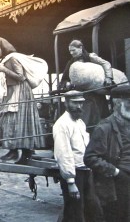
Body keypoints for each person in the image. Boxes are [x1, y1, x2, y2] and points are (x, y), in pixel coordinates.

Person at [0, 37, 45, 164]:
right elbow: (5, 78)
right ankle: (13, 149)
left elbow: (21, 77)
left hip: (20, 91)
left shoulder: (13, 58)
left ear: (3, 47)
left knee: (18, 120)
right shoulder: (3, 60)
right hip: (11, 91)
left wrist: (4, 69)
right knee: (9, 119)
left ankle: (24, 152)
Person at [53, 90, 104, 222]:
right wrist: (70, 182)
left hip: (86, 171)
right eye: (75, 103)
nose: (79, 106)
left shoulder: (80, 123)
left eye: (81, 103)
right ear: (66, 103)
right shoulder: (62, 124)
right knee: (75, 213)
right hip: (74, 174)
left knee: (93, 209)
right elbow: (63, 154)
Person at [84, 85, 130, 222]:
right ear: (117, 103)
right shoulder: (104, 127)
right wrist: (115, 171)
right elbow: (90, 157)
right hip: (117, 183)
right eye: (129, 103)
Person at [59, 39, 113, 133]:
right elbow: (64, 79)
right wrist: (67, 84)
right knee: (84, 121)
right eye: (70, 51)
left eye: (73, 50)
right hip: (82, 96)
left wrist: (108, 78)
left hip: (97, 94)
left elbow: (106, 64)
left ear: (80, 48)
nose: (71, 53)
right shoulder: (71, 63)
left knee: (101, 120)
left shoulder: (91, 57)